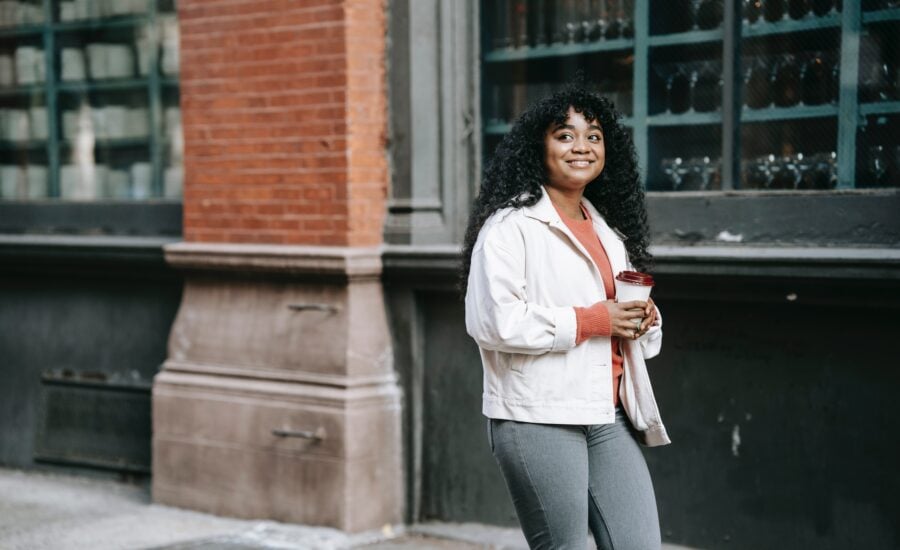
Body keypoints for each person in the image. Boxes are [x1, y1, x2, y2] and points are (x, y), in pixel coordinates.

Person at [461, 85, 670, 550]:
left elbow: (630, 333)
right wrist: (595, 321)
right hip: (538, 417)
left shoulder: (607, 232)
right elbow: (493, 321)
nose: (582, 147)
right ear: (539, 147)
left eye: (594, 136)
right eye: (565, 135)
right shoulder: (509, 227)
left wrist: (645, 320)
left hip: (607, 413)